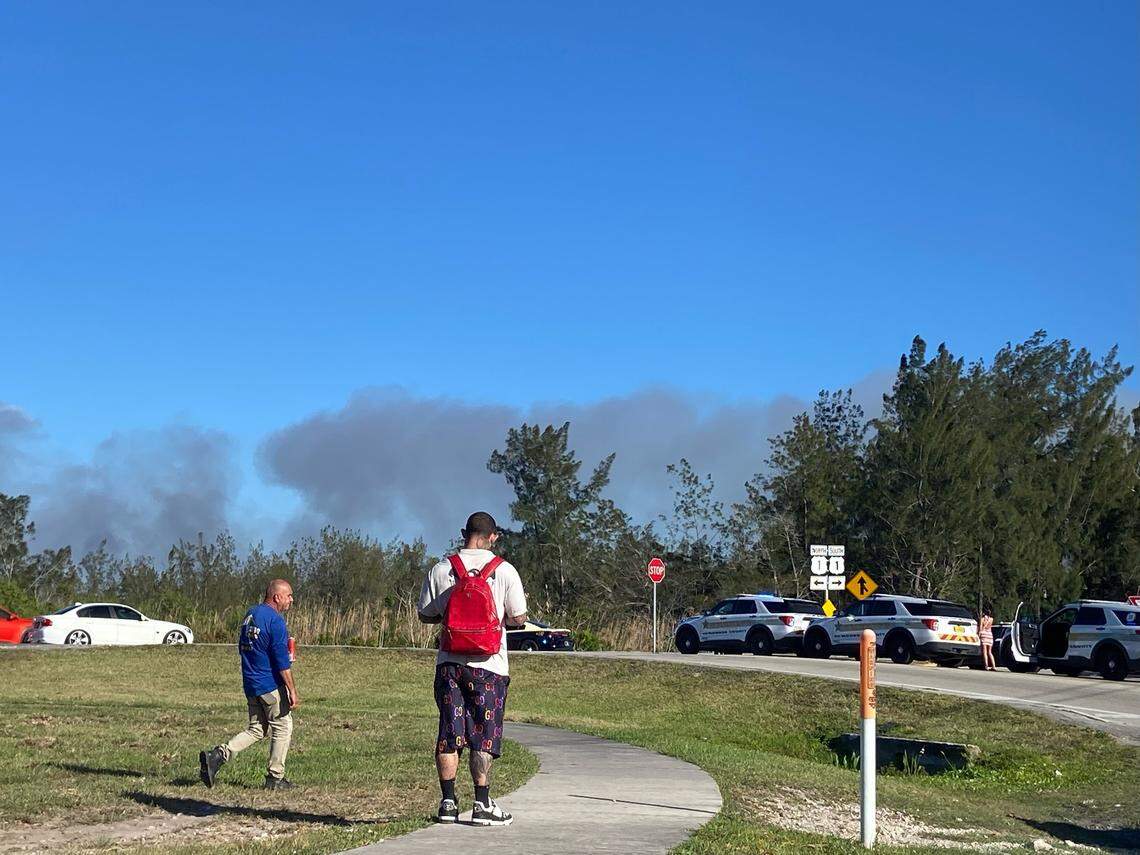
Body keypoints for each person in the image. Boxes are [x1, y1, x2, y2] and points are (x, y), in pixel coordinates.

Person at [418, 512, 527, 826]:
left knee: (449, 733)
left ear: (464, 533)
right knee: (483, 735)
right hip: (489, 666)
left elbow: (426, 614)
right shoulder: (504, 570)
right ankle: (481, 803)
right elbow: (518, 617)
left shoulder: (441, 569)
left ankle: (448, 802)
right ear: (493, 536)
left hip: (450, 663)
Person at [199, 579, 300, 790]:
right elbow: (282, 663)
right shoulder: (276, 621)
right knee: (283, 726)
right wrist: (291, 690)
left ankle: (218, 755)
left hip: (251, 683)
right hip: (270, 684)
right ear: (276, 597)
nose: (291, 600)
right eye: (288, 595)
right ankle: (275, 777)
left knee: (257, 728)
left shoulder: (250, 615)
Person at [979, 606, 996, 671]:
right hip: (990, 635)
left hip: (984, 634)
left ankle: (986, 666)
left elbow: (981, 627)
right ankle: (993, 666)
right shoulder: (991, 619)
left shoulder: (982, 619)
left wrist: (979, 635)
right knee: (990, 652)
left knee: (985, 652)